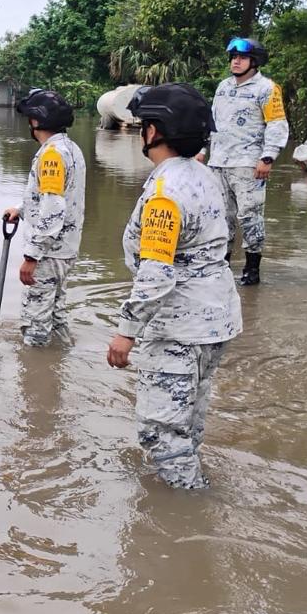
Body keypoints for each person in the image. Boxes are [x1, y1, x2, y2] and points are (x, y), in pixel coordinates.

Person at [106, 83, 242, 490]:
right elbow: (226, 238)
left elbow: (156, 273)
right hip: (216, 320)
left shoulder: (165, 193)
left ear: (154, 132)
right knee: (188, 419)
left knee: (161, 431)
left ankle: (185, 504)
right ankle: (189, 486)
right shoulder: (207, 175)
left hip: (179, 327)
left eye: (144, 125)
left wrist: (126, 332)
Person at [1, 88, 85, 346]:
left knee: (36, 321)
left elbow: (53, 207)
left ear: (35, 121)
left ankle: (35, 367)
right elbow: (54, 194)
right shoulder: (71, 148)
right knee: (56, 313)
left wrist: (32, 256)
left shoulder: (51, 155)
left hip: (49, 253)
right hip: (65, 249)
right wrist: (21, 209)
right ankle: (61, 357)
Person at [206, 36, 290, 286]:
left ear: (254, 62)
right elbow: (212, 121)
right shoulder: (223, 87)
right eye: (233, 57)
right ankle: (221, 268)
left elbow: (276, 124)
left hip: (248, 165)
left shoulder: (267, 89)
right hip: (218, 162)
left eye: (242, 58)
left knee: (250, 217)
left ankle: (252, 270)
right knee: (220, 218)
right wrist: (202, 148)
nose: (236, 61)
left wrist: (268, 157)